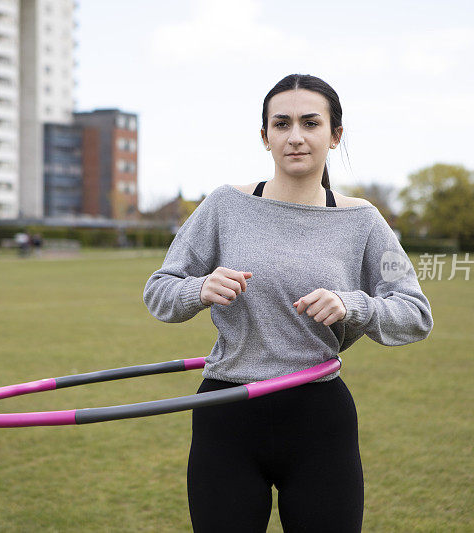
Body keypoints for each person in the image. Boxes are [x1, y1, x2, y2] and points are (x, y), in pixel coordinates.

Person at [143, 74, 434, 532]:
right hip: (227, 415)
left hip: (319, 420)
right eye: (281, 124)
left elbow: (415, 314)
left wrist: (353, 305)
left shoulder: (363, 221)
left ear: (334, 135)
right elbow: (159, 291)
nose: (295, 136)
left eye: (310, 123)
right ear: (265, 137)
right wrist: (197, 290)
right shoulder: (224, 206)